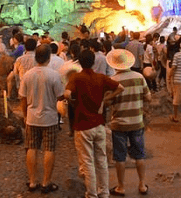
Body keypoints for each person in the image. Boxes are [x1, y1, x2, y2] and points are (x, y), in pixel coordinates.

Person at [65, 50, 123, 198]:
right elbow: (120, 88)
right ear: (93, 62)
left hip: (83, 125)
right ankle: (104, 192)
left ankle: (91, 193)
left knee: (87, 162)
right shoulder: (101, 77)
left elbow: (66, 94)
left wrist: (72, 101)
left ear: (80, 62)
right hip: (99, 125)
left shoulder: (76, 78)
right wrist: (106, 98)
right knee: (101, 160)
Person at [20, 44, 65, 193]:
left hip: (32, 118)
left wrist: (25, 115)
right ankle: (46, 182)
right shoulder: (54, 75)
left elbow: (22, 98)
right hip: (50, 118)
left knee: (31, 148)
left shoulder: (28, 75)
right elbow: (60, 96)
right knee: (49, 149)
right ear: (48, 57)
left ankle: (32, 181)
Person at [107, 49, 151, 196]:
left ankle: (121, 186)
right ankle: (142, 184)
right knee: (139, 154)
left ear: (115, 65)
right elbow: (148, 97)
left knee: (120, 156)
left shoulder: (113, 80)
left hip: (119, 123)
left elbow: (109, 101)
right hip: (137, 122)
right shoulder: (139, 77)